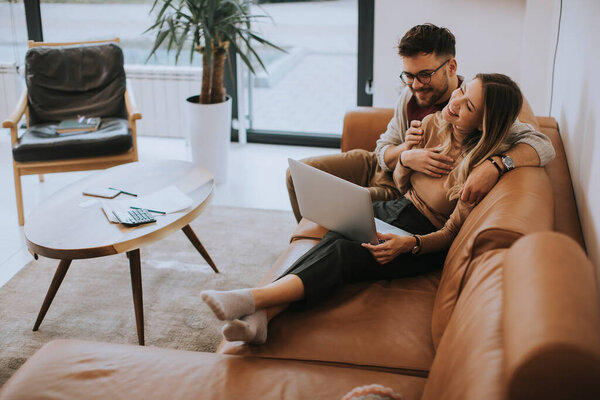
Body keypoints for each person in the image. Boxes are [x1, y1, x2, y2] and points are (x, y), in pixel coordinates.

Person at [202, 73, 542, 345]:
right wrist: (409, 155)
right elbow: (402, 181)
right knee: (336, 235)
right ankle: (262, 318)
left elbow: (452, 233)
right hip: (400, 208)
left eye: (468, 106)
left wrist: (409, 245)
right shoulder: (438, 122)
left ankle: (252, 299)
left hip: (424, 239)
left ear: (484, 123)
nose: (455, 102)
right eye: (462, 90)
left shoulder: (478, 168)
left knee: (342, 254)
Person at [286, 23, 555, 222]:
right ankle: (307, 237)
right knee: (296, 176)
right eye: (409, 75)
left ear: (451, 67)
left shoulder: (480, 104)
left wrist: (497, 165)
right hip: (380, 163)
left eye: (424, 75)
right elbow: (382, 149)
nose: (415, 84)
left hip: (399, 190)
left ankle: (315, 241)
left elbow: (541, 144)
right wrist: (406, 153)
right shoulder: (408, 95)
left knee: (329, 203)